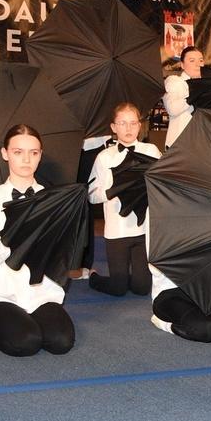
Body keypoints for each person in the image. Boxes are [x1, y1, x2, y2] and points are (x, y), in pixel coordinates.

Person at [0, 124, 74, 356]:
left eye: (34, 152)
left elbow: (61, 254)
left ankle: (26, 324)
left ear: (40, 155)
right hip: (1, 295)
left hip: (41, 294)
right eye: (18, 152)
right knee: (27, 343)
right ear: (5, 153)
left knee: (61, 343)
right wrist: (13, 231)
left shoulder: (52, 199)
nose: (26, 159)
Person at [88, 103, 161, 297]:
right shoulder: (104, 157)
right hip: (117, 231)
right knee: (118, 289)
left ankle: (134, 277)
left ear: (140, 125)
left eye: (133, 123)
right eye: (122, 123)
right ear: (113, 127)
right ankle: (94, 277)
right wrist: (111, 191)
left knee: (142, 288)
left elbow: (162, 184)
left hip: (143, 229)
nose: (128, 128)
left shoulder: (152, 151)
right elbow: (91, 195)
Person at [148, 265, 211, 343]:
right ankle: (164, 323)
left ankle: (198, 317)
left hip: (203, 290)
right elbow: (157, 265)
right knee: (209, 330)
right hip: (169, 293)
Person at [163, 46, 205, 149]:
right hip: (180, 145)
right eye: (192, 61)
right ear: (182, 65)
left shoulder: (207, 86)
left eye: (200, 60)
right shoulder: (174, 81)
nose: (198, 64)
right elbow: (172, 109)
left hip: (202, 144)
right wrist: (194, 94)